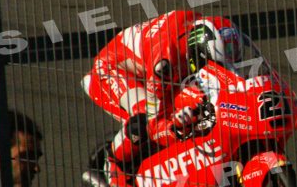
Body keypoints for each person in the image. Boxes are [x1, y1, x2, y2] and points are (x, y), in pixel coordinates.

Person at [81, 10, 245, 174]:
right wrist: (176, 126)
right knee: (143, 118)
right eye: (217, 65)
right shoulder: (165, 60)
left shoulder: (212, 28)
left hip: (159, 65)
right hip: (115, 68)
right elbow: (154, 122)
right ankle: (113, 165)